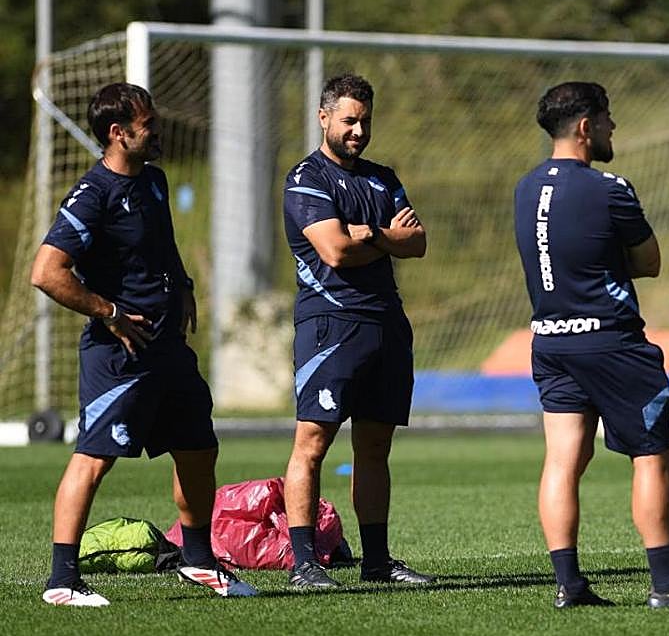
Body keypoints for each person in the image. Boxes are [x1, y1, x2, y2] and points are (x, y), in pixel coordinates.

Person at [31, 82, 257, 606]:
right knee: (94, 458)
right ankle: (62, 581)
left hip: (167, 348)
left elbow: (162, 246)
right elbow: (46, 272)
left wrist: (183, 287)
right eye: (148, 124)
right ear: (119, 133)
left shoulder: (153, 182)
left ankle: (199, 562)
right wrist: (107, 311)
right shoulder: (92, 195)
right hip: (120, 354)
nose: (157, 131)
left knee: (200, 448)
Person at [513, 81, 669, 609]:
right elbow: (649, 262)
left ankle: (569, 585)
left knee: (563, 461)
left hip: (549, 341)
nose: (614, 128)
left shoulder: (524, 187)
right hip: (611, 342)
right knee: (653, 457)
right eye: (608, 119)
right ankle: (668, 585)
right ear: (585, 126)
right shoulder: (610, 188)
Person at [281, 73, 433, 589]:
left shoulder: (383, 178)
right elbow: (335, 251)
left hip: (386, 324)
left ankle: (376, 561)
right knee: (313, 443)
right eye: (349, 120)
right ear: (324, 117)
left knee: (374, 448)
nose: (358, 130)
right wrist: (382, 234)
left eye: (365, 120)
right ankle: (305, 563)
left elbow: (418, 243)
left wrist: (368, 232)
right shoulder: (306, 179)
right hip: (331, 324)